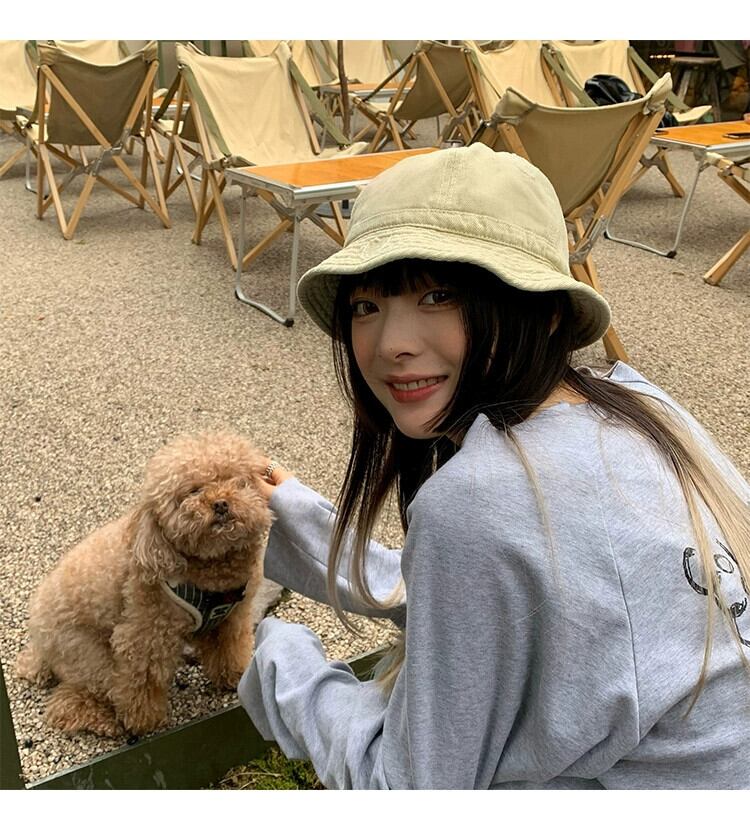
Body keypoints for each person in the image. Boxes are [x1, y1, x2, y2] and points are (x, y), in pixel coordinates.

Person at [237, 144, 750, 789]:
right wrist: (302, 518)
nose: (390, 344)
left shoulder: (480, 498)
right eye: (366, 306)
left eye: (439, 295)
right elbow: (497, 601)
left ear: (547, 312)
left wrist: (279, 659)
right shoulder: (636, 403)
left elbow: (411, 792)